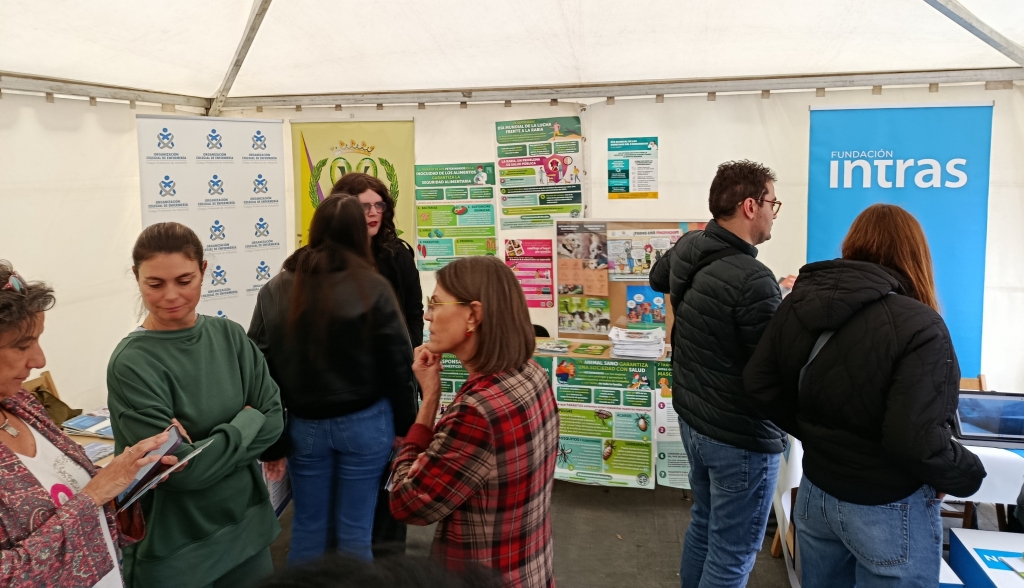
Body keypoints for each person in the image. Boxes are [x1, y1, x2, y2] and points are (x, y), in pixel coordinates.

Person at [744, 204, 986, 587]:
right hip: (888, 504)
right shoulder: (921, 326)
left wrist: (815, 432)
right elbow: (916, 439)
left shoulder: (798, 305)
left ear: (852, 243)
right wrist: (969, 474)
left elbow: (759, 385)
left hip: (817, 492)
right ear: (915, 253)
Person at [107, 222, 284, 588]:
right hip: (179, 552)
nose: (170, 295)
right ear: (136, 277)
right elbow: (183, 473)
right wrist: (245, 422)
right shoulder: (131, 363)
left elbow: (275, 418)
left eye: (184, 280)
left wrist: (203, 448)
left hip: (248, 532)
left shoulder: (229, 335)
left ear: (203, 270)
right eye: (154, 284)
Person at [249, 196, 417, 563]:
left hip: (302, 427)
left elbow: (259, 370)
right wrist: (407, 425)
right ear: (358, 234)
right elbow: (399, 363)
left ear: (314, 230)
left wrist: (273, 443)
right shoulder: (372, 286)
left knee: (308, 529)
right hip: (367, 425)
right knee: (356, 532)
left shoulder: (275, 289)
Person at [649, 160, 785, 588]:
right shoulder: (754, 280)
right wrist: (790, 308)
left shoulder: (693, 244)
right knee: (732, 553)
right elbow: (774, 368)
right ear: (749, 206)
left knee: (705, 527)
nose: (772, 213)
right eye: (771, 203)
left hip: (696, 421)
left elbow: (657, 277)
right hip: (739, 438)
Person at [0, 261, 177, 587]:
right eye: (23, 345)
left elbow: (77, 490)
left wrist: (130, 474)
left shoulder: (20, 404)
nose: (39, 361)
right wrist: (93, 496)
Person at [389, 256, 559, 588]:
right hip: (530, 568)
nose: (427, 314)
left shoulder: (477, 411)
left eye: (436, 303)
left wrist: (428, 404)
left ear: (473, 315)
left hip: (481, 575)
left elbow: (406, 501)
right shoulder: (530, 372)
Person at [324, 171, 423, 557]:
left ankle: (386, 561)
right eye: (363, 206)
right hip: (344, 391)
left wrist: (409, 358)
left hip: (394, 382)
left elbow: (413, 314)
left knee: (389, 484)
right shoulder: (324, 263)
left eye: (378, 204)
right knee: (347, 492)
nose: (373, 213)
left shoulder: (396, 255)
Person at [256, 554, 503, 588]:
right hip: (365, 425)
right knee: (356, 526)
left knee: (309, 523)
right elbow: (408, 499)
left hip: (307, 426)